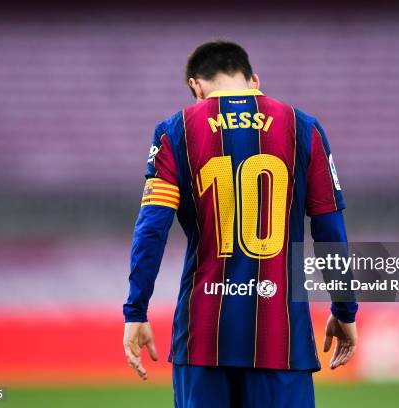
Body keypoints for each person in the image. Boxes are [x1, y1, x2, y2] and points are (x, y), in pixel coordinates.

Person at [123, 40, 358, 407]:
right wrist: (344, 309)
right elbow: (330, 232)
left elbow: (151, 230)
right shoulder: (303, 128)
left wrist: (135, 310)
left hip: (203, 338)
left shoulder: (174, 132)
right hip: (281, 341)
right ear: (253, 80)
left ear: (195, 87)